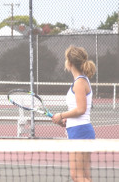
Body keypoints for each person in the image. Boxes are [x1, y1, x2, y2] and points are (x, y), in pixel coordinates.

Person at [52, 45, 96, 182]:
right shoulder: (81, 81)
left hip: (80, 131)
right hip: (78, 129)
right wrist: (66, 121)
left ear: (69, 63)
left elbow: (81, 109)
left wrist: (61, 115)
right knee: (84, 176)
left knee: (77, 176)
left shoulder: (80, 82)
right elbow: (78, 110)